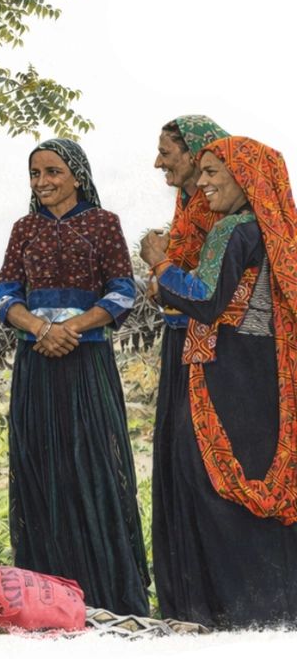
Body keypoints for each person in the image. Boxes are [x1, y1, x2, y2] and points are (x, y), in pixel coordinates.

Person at [0, 140, 150, 616]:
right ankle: (48, 601)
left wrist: (70, 329)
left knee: (93, 466)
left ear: (77, 175)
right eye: (35, 174)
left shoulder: (103, 224)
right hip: (36, 365)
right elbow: (3, 296)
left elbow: (123, 291)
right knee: (42, 466)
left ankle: (106, 596)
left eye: (53, 172)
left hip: (86, 365)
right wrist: (41, 328)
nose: (42, 182)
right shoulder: (24, 229)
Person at [154, 135, 297, 628]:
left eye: (215, 173)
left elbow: (206, 298)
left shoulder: (231, 230)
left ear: (247, 179)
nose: (206, 183)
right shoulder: (273, 230)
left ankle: (235, 621)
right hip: (264, 378)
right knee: (260, 487)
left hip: (225, 377)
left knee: (219, 488)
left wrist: (160, 264)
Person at [139, 115, 228, 620]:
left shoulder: (225, 215)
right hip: (183, 346)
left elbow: (199, 291)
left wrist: (160, 267)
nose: (158, 163)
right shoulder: (188, 205)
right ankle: (187, 602)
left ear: (196, 153)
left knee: (201, 466)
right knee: (179, 465)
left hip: (214, 356)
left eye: (166, 152)